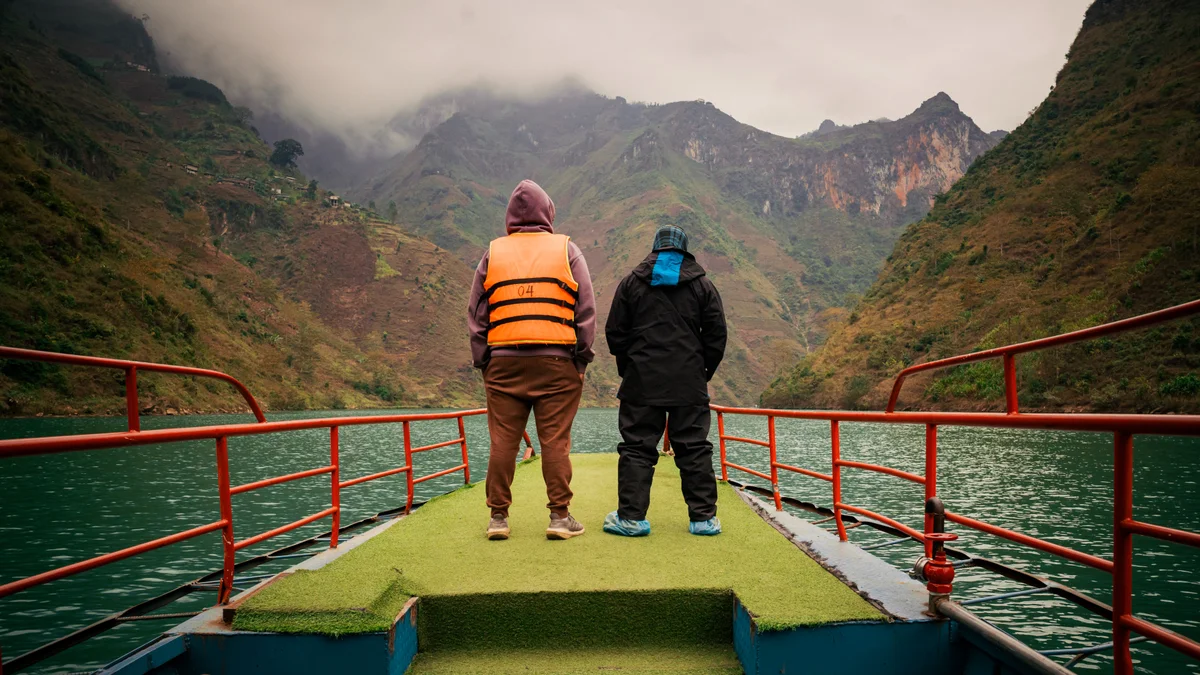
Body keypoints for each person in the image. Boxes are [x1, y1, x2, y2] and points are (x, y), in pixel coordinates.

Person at [468, 179, 596, 541]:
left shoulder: (492, 253)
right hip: (557, 363)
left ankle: (498, 518)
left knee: (503, 441)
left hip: (503, 364)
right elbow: (586, 310)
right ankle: (559, 517)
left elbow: (476, 314)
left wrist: (484, 362)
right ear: (547, 212)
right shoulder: (568, 250)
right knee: (555, 441)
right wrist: (581, 361)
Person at [603, 224, 727, 537]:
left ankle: (631, 518)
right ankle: (703, 519)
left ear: (655, 248)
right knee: (694, 448)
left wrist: (629, 367)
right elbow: (716, 336)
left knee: (637, 447)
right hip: (689, 382)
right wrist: (702, 372)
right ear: (684, 249)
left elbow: (615, 333)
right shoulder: (703, 286)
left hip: (641, 381)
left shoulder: (631, 283)